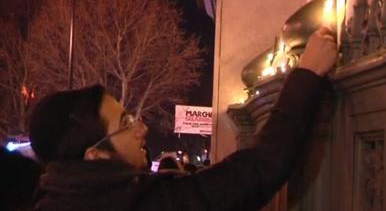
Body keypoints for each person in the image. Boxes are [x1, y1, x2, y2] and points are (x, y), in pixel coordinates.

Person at [29, 26, 337, 211]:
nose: (142, 129)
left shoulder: (48, 201)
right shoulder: (147, 204)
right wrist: (306, 76)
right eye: (125, 123)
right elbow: (255, 171)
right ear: (94, 155)